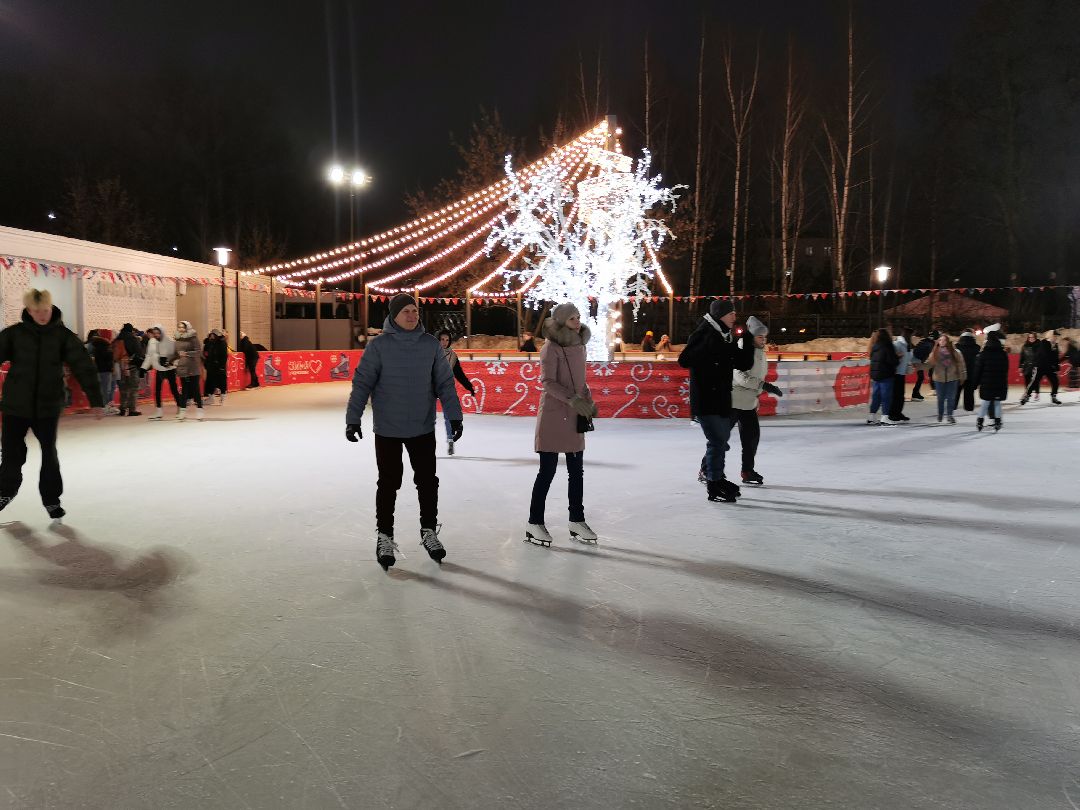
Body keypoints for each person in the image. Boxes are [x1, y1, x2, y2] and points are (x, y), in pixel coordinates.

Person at [345, 293, 463, 570]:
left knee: (427, 481)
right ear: (394, 315)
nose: (413, 315)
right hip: (388, 428)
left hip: (421, 426)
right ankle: (385, 536)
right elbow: (362, 383)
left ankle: (429, 531)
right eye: (407, 311)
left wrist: (454, 417)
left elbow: (445, 384)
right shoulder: (379, 346)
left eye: (415, 310)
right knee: (389, 482)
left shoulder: (430, 345)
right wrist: (353, 419)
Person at [0, 289, 104, 518]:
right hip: (15, 406)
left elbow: (83, 366)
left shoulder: (63, 336)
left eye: (45, 310)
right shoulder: (14, 335)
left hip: (47, 408)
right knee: (10, 453)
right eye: (37, 311)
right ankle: (5, 491)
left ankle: (51, 499)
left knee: (49, 454)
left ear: (51, 308)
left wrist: (96, 399)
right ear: (28, 310)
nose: (42, 315)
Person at [525, 303, 598, 545]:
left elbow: (580, 382)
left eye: (578, 317)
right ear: (560, 322)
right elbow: (548, 382)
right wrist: (574, 399)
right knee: (547, 471)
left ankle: (576, 519)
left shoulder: (579, 346)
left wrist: (586, 400)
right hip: (555, 416)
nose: (577, 321)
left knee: (577, 471)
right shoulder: (551, 348)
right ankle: (534, 522)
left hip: (575, 415)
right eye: (571, 318)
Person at [678, 299, 755, 503]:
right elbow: (684, 359)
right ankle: (714, 484)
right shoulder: (705, 334)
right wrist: (711, 354)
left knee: (720, 442)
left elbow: (744, 362)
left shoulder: (724, 337)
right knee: (717, 442)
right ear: (720, 315)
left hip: (720, 399)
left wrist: (746, 339)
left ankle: (717, 479)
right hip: (706, 400)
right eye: (731, 314)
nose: (734, 317)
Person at [730, 316, 783, 485]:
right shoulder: (741, 348)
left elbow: (757, 376)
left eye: (765, 337)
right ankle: (706, 469)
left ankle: (747, 471)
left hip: (748, 402)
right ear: (751, 336)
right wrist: (765, 386)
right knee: (720, 439)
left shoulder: (761, 352)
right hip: (732, 401)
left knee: (751, 438)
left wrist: (757, 395)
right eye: (760, 337)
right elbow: (740, 377)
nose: (763, 340)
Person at [436, 329, 475, 455]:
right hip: (430, 389)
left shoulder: (452, 356)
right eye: (442, 339)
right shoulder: (430, 353)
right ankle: (427, 445)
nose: (444, 342)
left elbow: (459, 374)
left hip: (446, 388)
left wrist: (469, 386)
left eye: (447, 340)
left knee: (449, 416)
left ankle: (450, 440)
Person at [971, 325, 1009, 431]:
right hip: (999, 383)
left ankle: (980, 421)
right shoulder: (1003, 354)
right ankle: (997, 422)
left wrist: (974, 384)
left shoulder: (983, 354)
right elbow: (1006, 369)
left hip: (986, 384)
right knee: (997, 403)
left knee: (985, 403)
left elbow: (977, 371)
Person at [925, 333, 966, 424]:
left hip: (952, 378)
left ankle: (950, 415)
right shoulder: (934, 353)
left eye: (944, 340)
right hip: (939, 379)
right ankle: (940, 414)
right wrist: (919, 366)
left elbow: (961, 365)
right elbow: (928, 364)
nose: (942, 342)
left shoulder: (955, 352)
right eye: (940, 340)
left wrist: (963, 376)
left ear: (948, 341)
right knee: (940, 398)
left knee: (951, 398)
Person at [142, 324, 181, 420]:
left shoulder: (169, 341)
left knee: (174, 390)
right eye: (154, 333)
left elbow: (176, 355)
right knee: (157, 390)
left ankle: (181, 408)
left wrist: (169, 361)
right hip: (159, 369)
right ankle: (159, 411)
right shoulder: (151, 342)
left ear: (162, 333)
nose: (156, 335)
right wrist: (143, 368)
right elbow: (149, 356)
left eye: (158, 333)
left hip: (169, 370)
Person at [1020, 330, 1062, 405]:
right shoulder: (1043, 343)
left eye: (1057, 336)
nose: (1056, 337)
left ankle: (1053, 396)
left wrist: (1057, 368)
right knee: (1034, 381)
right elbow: (1046, 355)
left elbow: (1056, 358)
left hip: (1049, 367)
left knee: (1055, 382)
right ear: (1051, 336)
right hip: (1040, 366)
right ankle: (1027, 396)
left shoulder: (1055, 345)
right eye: (1055, 336)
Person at [173, 321, 205, 421]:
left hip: (192, 367)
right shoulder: (177, 339)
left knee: (195, 390)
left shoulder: (193, 338)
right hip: (182, 367)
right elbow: (175, 353)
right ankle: (182, 412)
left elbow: (198, 351)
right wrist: (171, 360)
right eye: (179, 327)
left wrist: (187, 353)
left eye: (183, 327)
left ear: (187, 328)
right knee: (184, 390)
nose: (181, 329)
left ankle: (200, 410)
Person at [867, 328, 899, 426]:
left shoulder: (874, 346)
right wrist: (897, 358)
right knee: (886, 396)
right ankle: (885, 417)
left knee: (876, 396)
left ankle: (871, 416)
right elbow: (892, 361)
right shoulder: (888, 346)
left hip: (876, 375)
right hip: (886, 375)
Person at [112, 322, 143, 416]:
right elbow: (139, 353)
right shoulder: (133, 339)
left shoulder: (117, 339)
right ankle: (132, 410)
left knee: (123, 389)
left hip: (120, 367)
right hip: (131, 366)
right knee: (133, 388)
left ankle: (122, 409)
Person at [86, 328, 119, 415]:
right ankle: (104, 407)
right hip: (105, 370)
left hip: (101, 370)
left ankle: (106, 406)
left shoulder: (97, 345)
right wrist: (112, 367)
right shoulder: (105, 346)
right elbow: (108, 359)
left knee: (105, 389)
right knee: (106, 389)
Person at [887, 326, 914, 422]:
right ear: (904, 334)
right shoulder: (897, 344)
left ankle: (898, 412)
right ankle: (892, 413)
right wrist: (897, 357)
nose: (911, 336)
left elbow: (909, 358)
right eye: (910, 334)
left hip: (901, 373)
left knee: (901, 395)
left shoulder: (908, 346)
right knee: (895, 395)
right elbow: (891, 357)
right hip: (895, 373)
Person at [953, 328, 979, 412]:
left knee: (956, 391)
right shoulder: (977, 348)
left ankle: (953, 406)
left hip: (958, 373)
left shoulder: (956, 347)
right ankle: (969, 407)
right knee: (969, 393)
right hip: (971, 374)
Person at [203, 328, 229, 405]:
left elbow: (224, 356)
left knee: (221, 382)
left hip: (219, 366)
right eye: (210, 335)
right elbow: (206, 353)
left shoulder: (222, 343)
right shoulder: (210, 343)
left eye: (213, 335)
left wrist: (222, 366)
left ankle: (222, 397)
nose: (211, 336)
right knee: (210, 382)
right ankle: (211, 398)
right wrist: (207, 364)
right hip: (211, 366)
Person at [910, 330, 937, 400]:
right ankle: (915, 394)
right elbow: (928, 354)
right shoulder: (931, 344)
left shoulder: (925, 340)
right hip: (917, 360)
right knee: (921, 377)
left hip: (914, 358)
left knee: (921, 377)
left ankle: (916, 393)